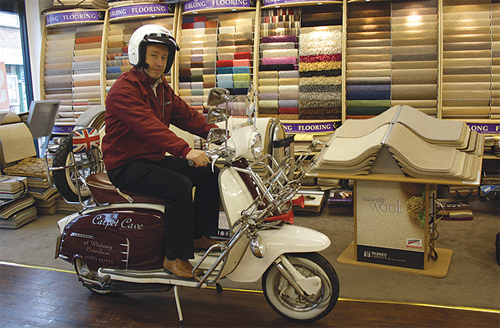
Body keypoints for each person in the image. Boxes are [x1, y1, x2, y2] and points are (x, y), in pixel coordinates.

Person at [102, 25, 220, 279]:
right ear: (140, 54)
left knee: (210, 170)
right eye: (154, 55)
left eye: (164, 57)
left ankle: (197, 234)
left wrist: (217, 134)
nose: (159, 62)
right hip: (125, 166)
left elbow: (185, 115)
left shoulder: (160, 86)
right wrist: (184, 149)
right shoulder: (124, 90)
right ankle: (174, 257)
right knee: (178, 185)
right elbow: (149, 126)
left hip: (151, 160)